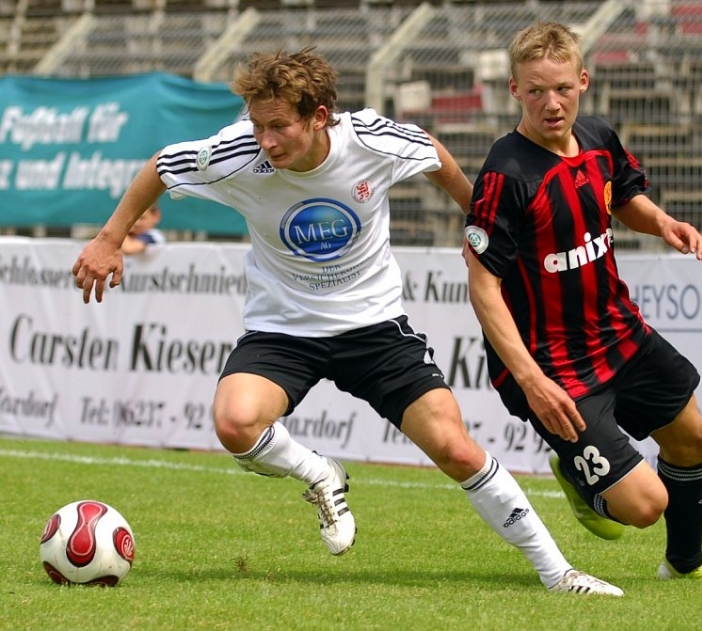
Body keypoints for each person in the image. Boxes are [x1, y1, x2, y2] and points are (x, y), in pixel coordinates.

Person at [71, 47, 623, 596]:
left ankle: (559, 573)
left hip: (375, 328)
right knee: (235, 423)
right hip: (284, 328)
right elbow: (162, 165)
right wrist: (109, 238)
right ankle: (319, 474)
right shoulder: (238, 152)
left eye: (279, 126)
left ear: (319, 117)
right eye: (259, 125)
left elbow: (432, 153)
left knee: (455, 448)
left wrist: (479, 224)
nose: (266, 140)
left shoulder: (370, 141)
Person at [464, 22, 702, 585]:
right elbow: (483, 287)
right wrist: (532, 382)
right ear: (514, 90)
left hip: (619, 332)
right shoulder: (506, 173)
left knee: (693, 437)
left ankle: (685, 566)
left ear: (583, 81)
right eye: (536, 91)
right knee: (644, 507)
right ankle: (581, 479)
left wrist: (663, 223)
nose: (551, 104)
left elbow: (622, 197)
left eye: (562, 89)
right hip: (554, 364)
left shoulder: (597, 137)